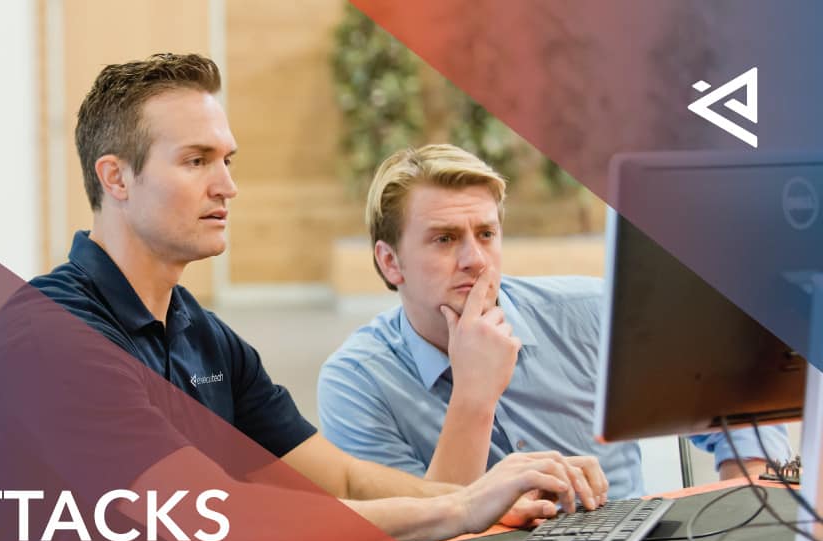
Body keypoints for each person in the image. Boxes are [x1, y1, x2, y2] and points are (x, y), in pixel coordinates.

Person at [0, 55, 602, 541]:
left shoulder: (199, 333)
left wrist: (505, 497)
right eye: (196, 161)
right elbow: (226, 526)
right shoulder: (51, 339)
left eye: (227, 161)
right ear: (117, 179)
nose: (227, 186)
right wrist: (458, 509)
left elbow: (342, 479)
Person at [317, 144, 794, 500]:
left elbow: (742, 403)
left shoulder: (590, 313)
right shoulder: (357, 383)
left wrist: (746, 495)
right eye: (444, 239)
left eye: (486, 234)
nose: (474, 259)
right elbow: (420, 539)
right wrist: (474, 396)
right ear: (390, 262)